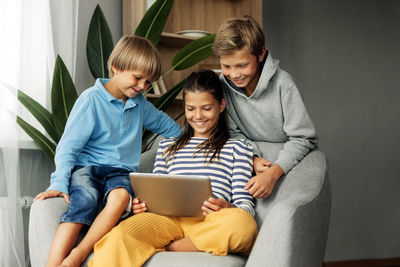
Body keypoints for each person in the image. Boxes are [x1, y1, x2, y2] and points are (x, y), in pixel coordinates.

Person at [33, 35, 182, 267]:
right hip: (87, 169)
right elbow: (68, 146)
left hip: (120, 173)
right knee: (85, 200)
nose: (143, 87)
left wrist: (202, 141)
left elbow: (171, 129)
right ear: (116, 67)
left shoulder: (140, 104)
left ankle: (78, 255)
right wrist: (59, 182)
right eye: (138, 78)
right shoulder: (91, 100)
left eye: (148, 82)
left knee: (121, 197)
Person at [88, 70, 258, 266]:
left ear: (221, 105)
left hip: (210, 222)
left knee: (243, 225)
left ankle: (174, 247)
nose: (198, 116)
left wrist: (227, 207)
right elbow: (156, 190)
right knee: (118, 236)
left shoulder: (238, 148)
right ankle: (176, 243)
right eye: (191, 109)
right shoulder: (168, 146)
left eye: (206, 108)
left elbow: (246, 207)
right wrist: (141, 205)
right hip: (165, 221)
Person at [212, 15, 318, 199]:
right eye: (226, 66)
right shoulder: (222, 85)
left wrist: (273, 173)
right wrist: (251, 158)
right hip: (249, 162)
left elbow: (304, 138)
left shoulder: (283, 84)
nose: (234, 74)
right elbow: (232, 133)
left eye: (242, 65)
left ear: (261, 54)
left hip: (286, 165)